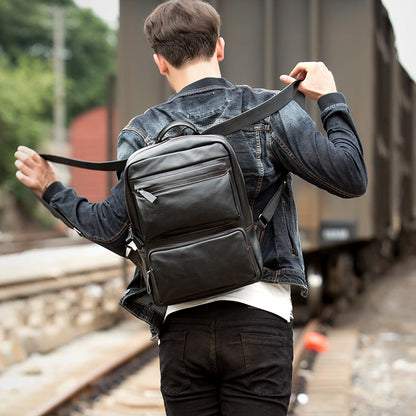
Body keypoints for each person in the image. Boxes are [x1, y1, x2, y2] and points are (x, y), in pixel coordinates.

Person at [14, 0, 367, 414]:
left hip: (182, 332)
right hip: (259, 320)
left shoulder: (140, 135)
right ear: (219, 47)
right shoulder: (271, 110)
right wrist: (329, 98)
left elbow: (110, 230)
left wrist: (51, 188)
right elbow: (350, 176)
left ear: (160, 62)